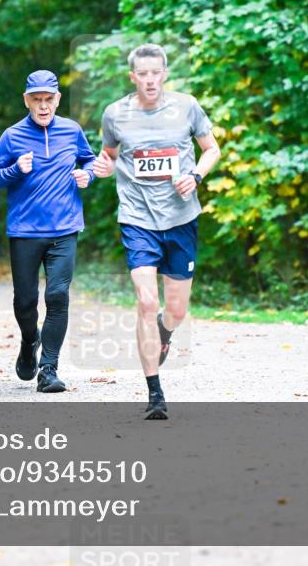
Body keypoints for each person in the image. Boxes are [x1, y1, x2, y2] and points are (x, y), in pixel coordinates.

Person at [92, 43, 221, 420]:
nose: (149, 80)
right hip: (137, 220)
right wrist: (103, 167)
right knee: (147, 302)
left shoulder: (187, 107)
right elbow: (110, 157)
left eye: (155, 73)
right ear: (133, 77)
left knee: (175, 310)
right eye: (142, 74)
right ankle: (155, 393)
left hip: (181, 220)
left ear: (165, 74)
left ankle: (165, 333)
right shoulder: (115, 114)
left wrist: (196, 175)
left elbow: (212, 149)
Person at [0, 70, 96, 393]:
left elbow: (89, 162)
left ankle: (49, 369)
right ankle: (29, 340)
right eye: (37, 100)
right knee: (25, 302)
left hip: (65, 228)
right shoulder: (12, 136)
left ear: (58, 100)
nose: (43, 106)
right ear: (27, 101)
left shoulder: (72, 131)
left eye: (49, 99)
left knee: (58, 296)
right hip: (25, 231)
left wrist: (88, 175)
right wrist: (15, 170)